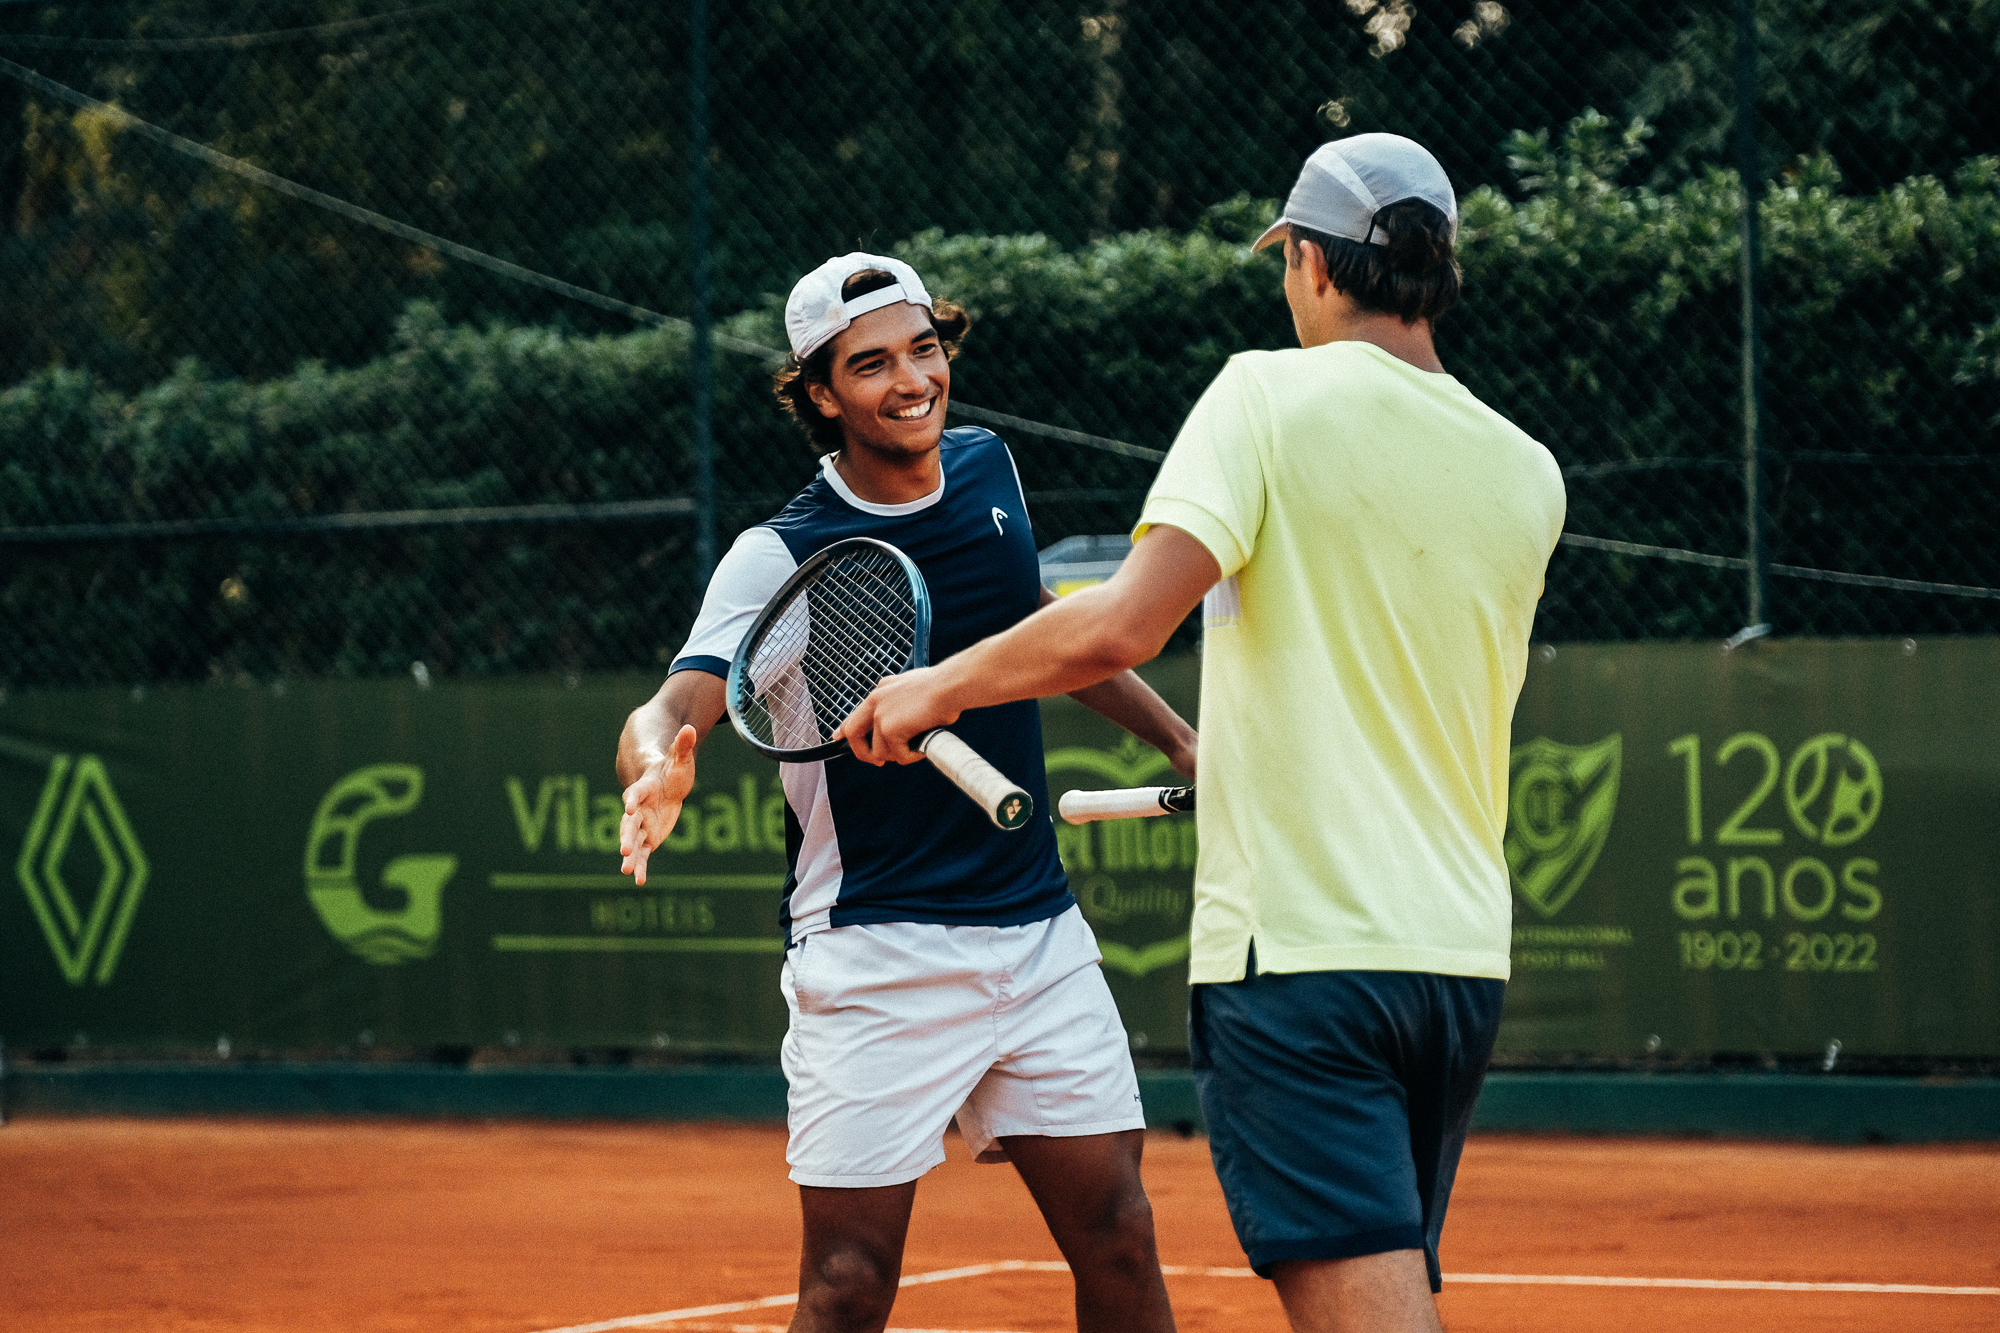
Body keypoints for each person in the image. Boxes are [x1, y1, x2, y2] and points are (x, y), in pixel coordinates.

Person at [838, 135, 1567, 1333]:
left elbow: (1117, 627)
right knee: (1385, 1283)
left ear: (1317, 265)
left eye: (1286, 258)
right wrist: (1210, 749)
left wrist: (934, 689)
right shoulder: (1526, 470)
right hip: (1456, 965)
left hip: (1303, 966)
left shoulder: (1263, 396)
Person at [615, 253, 1193, 1333]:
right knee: (846, 1283)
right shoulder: (777, 555)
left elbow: (1043, 630)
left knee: (1117, 1230)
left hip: (1034, 933)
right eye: (869, 363)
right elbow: (672, 706)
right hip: (874, 949)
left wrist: (1176, 738)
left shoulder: (988, 470)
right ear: (821, 392)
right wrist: (658, 760)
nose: (909, 379)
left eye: (922, 348)